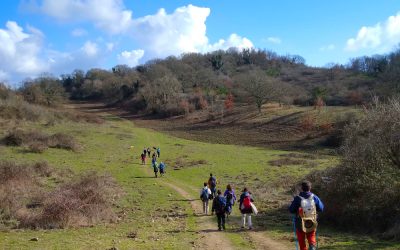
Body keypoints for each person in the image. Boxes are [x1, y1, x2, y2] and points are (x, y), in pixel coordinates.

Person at [289, 181, 324, 250]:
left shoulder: (297, 198)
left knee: (301, 239)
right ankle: (312, 247)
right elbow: (321, 208)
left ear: (301, 188)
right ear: (310, 188)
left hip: (300, 221)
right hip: (312, 221)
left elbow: (291, 210)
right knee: (311, 235)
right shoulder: (314, 197)